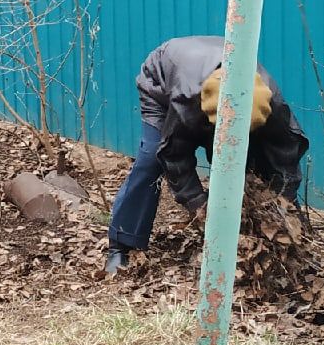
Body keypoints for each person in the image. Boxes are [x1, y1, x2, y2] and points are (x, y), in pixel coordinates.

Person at [104, 36, 309, 275]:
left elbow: (285, 160)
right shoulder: (186, 102)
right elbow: (174, 156)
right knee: (151, 159)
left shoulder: (270, 103)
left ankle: (275, 243)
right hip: (162, 81)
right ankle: (122, 244)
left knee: (252, 165)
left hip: (213, 81)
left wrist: (282, 206)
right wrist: (198, 205)